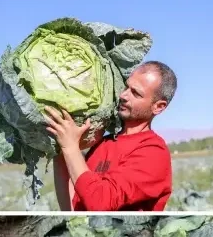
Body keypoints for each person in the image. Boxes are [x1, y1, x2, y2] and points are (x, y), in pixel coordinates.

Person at [47, 61, 177, 211]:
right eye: (126, 86)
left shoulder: (153, 152)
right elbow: (73, 207)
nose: (123, 95)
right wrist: (60, 151)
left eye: (135, 93)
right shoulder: (103, 142)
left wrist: (70, 147)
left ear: (158, 107)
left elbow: (100, 204)